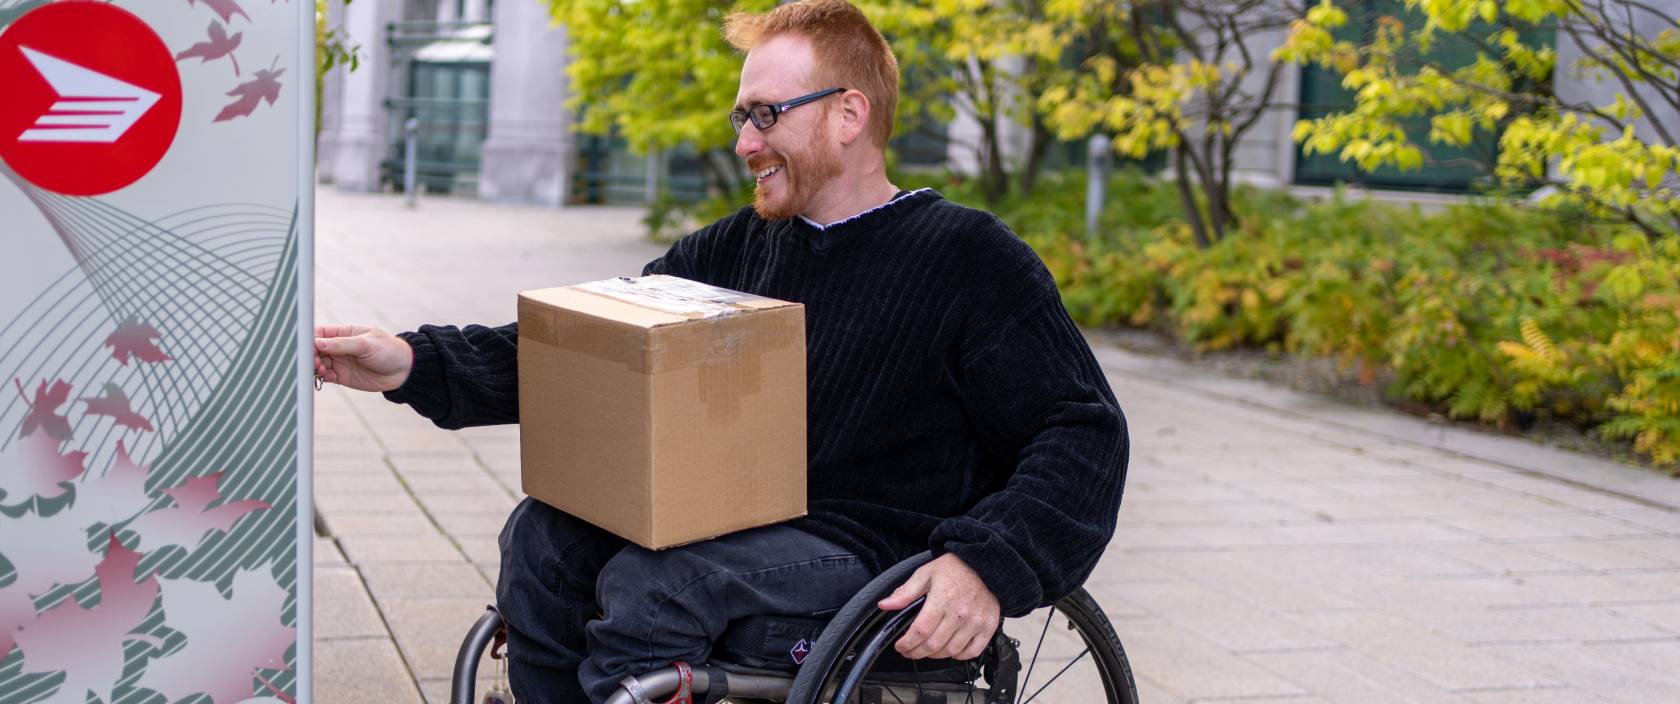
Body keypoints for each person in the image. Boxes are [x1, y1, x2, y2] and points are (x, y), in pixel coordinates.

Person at [312, 1, 1128, 701]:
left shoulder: (969, 259)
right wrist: (414, 364)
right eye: (743, 117)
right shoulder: (735, 250)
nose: (745, 142)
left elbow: (1081, 430)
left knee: (657, 587)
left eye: (767, 114)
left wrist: (988, 564)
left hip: (875, 542)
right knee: (544, 537)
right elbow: (587, 357)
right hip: (739, 520)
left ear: (849, 115)